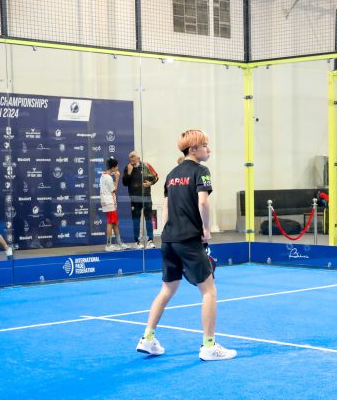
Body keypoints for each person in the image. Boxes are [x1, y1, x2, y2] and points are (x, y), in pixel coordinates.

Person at [136, 129, 236, 361]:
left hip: (169, 239)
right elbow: (203, 203)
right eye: (205, 145)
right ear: (193, 149)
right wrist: (206, 230)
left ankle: (147, 338)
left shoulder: (172, 174)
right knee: (209, 290)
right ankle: (209, 346)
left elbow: (166, 208)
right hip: (189, 239)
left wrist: (167, 233)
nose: (209, 150)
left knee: (167, 289)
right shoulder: (201, 171)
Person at [122, 150, 159, 249]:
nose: (132, 163)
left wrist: (150, 183)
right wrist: (129, 172)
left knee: (148, 218)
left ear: (138, 159)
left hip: (146, 198)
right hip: (135, 199)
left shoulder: (146, 166)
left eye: (133, 161)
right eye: (130, 161)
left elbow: (156, 177)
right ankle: (137, 242)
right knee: (136, 220)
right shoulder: (127, 168)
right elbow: (124, 183)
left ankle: (150, 241)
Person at [100, 157, 129, 252]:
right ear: (112, 168)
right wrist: (117, 178)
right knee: (110, 222)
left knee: (115, 222)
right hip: (109, 203)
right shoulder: (108, 177)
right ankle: (108, 245)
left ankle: (119, 243)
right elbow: (114, 190)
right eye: (116, 166)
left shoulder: (104, 175)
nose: (117, 168)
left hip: (109, 202)